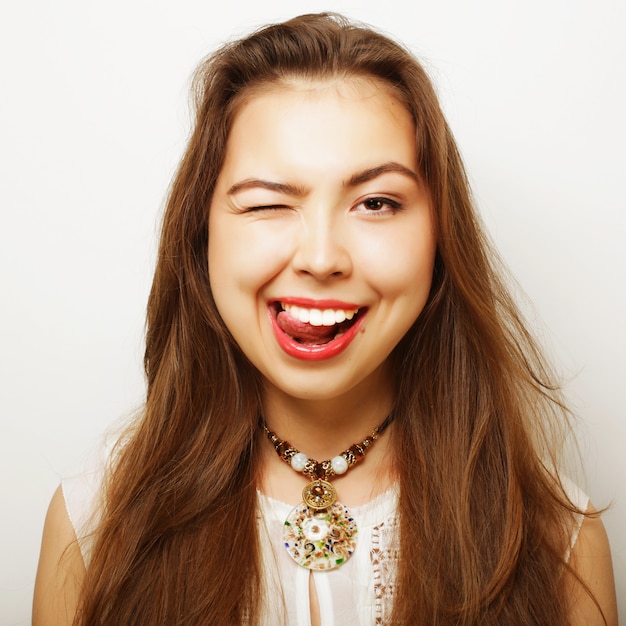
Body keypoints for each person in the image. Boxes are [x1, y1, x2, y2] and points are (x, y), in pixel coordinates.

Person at [32, 12, 617, 626]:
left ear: (440, 236)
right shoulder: (95, 525)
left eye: (376, 203)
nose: (319, 258)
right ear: (201, 235)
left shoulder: (559, 540)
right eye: (267, 203)